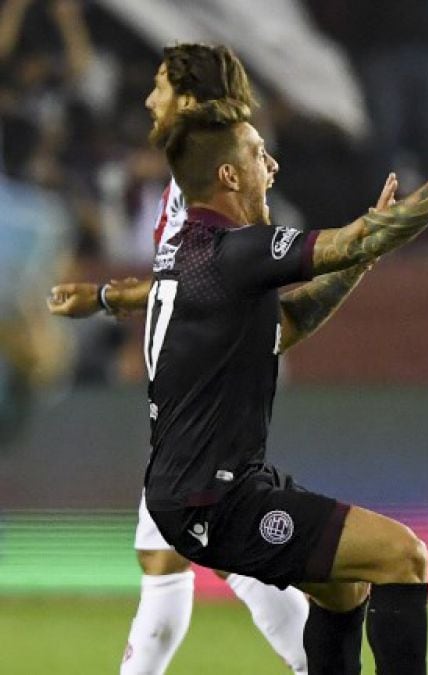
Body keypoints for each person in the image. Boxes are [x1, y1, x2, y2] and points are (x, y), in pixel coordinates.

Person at [147, 99, 428, 674]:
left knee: (343, 590)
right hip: (214, 500)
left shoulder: (194, 257)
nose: (273, 166)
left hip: (208, 488)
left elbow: (284, 329)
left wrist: (358, 264)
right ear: (229, 175)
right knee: (403, 557)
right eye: (260, 155)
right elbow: (353, 238)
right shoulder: (235, 252)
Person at [45, 44, 313, 675]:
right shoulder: (187, 175)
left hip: (208, 394)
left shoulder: (220, 170)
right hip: (190, 400)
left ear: (190, 98)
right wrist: (107, 297)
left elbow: (231, 276)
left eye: (159, 86)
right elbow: (181, 281)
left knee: (219, 545)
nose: (148, 99)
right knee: (164, 560)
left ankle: (321, 663)